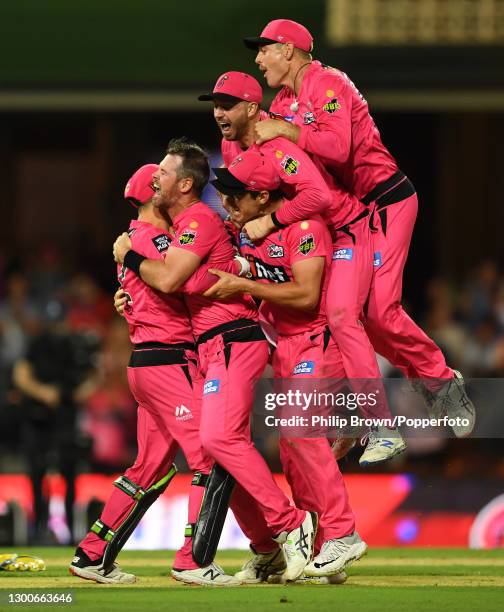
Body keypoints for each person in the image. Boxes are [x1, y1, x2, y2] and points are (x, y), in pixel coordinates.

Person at [241, 19, 475, 439]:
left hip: (387, 201)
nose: (258, 59)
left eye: (264, 50)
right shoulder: (285, 100)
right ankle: (423, 380)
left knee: (380, 310)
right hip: (351, 216)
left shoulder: (326, 83)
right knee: (357, 316)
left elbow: (338, 147)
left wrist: (285, 130)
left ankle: (440, 381)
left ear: (288, 50)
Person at [113, 138, 317, 582]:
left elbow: (167, 278)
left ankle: (291, 524)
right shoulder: (191, 224)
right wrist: (128, 299)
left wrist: (128, 254)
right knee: (218, 448)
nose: (155, 178)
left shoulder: (199, 220)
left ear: (185, 183)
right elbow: (164, 286)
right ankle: (266, 548)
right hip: (212, 344)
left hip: (230, 339)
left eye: (163, 173)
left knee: (220, 440)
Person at [198, 70, 405, 465]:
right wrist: (248, 251)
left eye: (226, 105)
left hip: (342, 229)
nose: (219, 113)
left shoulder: (278, 140)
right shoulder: (231, 149)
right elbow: (249, 204)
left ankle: (381, 418)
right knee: (283, 330)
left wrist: (269, 226)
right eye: (215, 106)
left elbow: (318, 196)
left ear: (250, 107)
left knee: (346, 317)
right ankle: (346, 413)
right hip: (295, 240)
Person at [69, 163, 238, 586]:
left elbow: (143, 289)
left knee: (150, 468)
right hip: (169, 362)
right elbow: (175, 279)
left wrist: (124, 297)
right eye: (160, 185)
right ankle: (193, 560)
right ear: (153, 195)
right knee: (211, 456)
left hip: (146, 364)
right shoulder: (156, 241)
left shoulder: (131, 243)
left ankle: (92, 554)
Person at [205, 148, 367, 579]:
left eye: (235, 196)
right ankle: (318, 551)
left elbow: (306, 295)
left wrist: (244, 282)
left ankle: (343, 533)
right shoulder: (248, 231)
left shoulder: (306, 229)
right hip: (284, 348)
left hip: (318, 340)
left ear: (261, 197)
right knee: (292, 453)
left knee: (300, 429)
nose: (227, 203)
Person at [13, 298, 96, 545]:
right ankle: (38, 528)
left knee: (69, 475)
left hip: (65, 418)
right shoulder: (37, 343)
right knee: (37, 472)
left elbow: (93, 375)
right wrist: (42, 392)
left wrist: (78, 394)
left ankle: (71, 531)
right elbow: (21, 373)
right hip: (38, 418)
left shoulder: (76, 343)